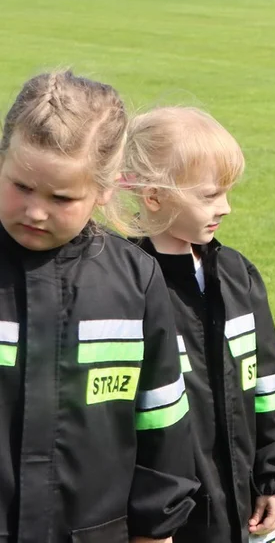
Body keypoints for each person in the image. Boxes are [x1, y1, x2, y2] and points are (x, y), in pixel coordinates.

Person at [0, 70, 199, 542]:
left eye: (62, 197)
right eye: (21, 186)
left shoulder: (136, 281)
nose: (35, 211)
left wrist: (157, 529)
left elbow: (161, 417)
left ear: (107, 189)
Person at [125, 107, 275, 543]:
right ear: (154, 196)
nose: (225, 207)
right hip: (174, 524)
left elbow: (267, 384)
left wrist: (271, 475)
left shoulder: (238, 276)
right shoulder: (124, 287)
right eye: (209, 195)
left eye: (226, 192)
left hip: (244, 510)